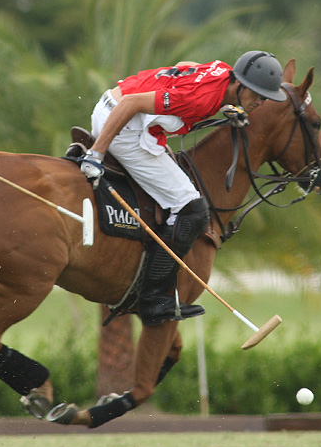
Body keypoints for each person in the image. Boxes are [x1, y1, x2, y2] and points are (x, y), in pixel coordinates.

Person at [79, 51, 287, 326]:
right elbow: (130, 103)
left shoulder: (221, 71)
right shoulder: (200, 99)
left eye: (264, 98)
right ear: (239, 85)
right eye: (257, 95)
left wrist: (227, 108)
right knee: (191, 208)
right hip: (121, 126)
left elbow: (183, 68)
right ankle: (152, 299)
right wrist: (96, 154)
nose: (260, 103)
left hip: (110, 106)